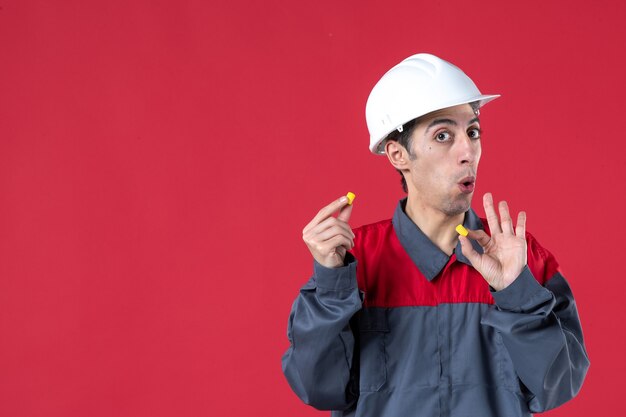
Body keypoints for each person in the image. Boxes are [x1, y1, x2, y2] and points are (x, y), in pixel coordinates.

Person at [281, 53, 589, 417]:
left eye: (472, 132)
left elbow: (558, 385)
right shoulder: (354, 261)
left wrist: (515, 294)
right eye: (443, 135)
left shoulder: (523, 259)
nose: (467, 152)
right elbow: (318, 389)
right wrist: (332, 285)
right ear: (398, 155)